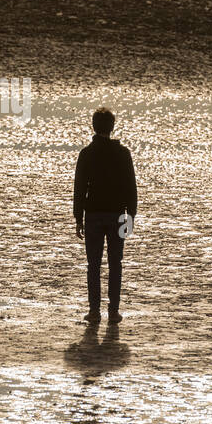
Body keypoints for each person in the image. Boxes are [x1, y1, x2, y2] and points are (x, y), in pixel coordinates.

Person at [73, 107, 137, 324]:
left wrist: (77, 217)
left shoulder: (87, 154)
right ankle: (113, 310)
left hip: (93, 214)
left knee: (93, 264)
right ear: (112, 127)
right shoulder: (123, 154)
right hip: (118, 214)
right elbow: (131, 186)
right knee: (115, 263)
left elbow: (80, 188)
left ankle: (94, 311)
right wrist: (132, 215)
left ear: (94, 126)